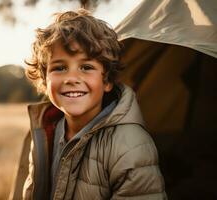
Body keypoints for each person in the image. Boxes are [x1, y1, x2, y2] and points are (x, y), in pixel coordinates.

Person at [11, 9, 167, 200]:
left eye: (86, 67)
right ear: (45, 81)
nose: (72, 78)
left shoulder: (129, 144)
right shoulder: (45, 132)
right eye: (59, 68)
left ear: (107, 80)